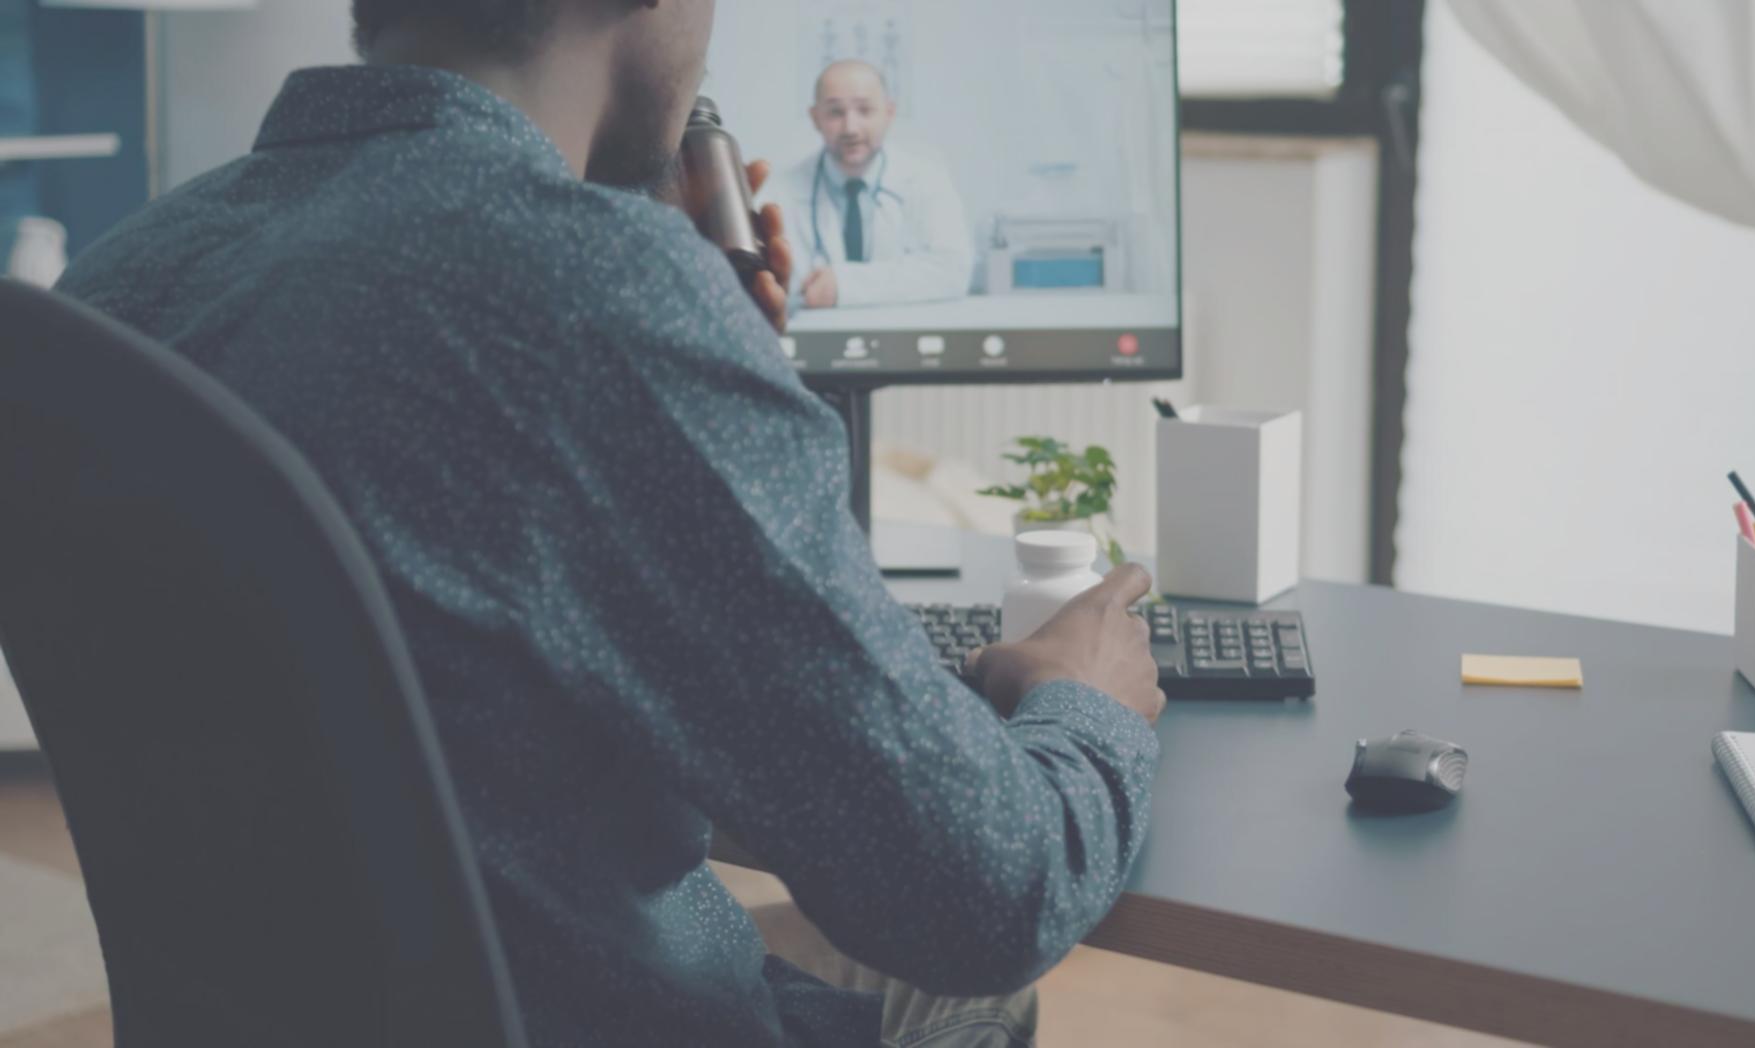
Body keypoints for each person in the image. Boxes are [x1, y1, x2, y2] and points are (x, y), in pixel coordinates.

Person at [55, 1, 1162, 1045]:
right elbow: (986, 894)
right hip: (580, 1010)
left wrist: (690, 352)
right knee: (987, 975)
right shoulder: (594, 288)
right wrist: (1085, 703)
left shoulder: (121, 285)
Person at [761, 59, 975, 311]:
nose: (850, 128)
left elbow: (953, 272)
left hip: (901, 339)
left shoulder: (927, 181)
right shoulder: (778, 193)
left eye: (864, 110)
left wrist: (844, 285)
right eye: (835, 112)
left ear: (889, 113)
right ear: (815, 118)